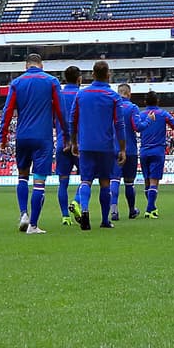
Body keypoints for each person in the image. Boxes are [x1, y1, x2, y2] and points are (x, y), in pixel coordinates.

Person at [0, 54, 65, 234]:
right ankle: (33, 226)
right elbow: (60, 110)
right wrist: (66, 133)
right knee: (39, 181)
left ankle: (23, 214)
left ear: (26, 66)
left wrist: (3, 137)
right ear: (41, 65)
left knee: (22, 176)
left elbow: (7, 110)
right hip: (43, 137)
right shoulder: (51, 81)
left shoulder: (16, 83)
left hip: (22, 137)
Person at [68, 60, 127, 230]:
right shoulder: (113, 97)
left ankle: (85, 210)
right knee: (105, 182)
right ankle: (105, 220)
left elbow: (72, 120)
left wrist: (74, 142)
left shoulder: (81, 95)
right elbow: (119, 124)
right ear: (108, 75)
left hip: (86, 144)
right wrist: (122, 148)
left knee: (85, 180)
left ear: (92, 74)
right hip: (106, 145)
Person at [133, 90, 174, 218]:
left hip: (144, 151)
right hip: (157, 151)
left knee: (147, 182)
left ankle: (152, 207)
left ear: (145, 102)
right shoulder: (163, 114)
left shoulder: (141, 115)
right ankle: (149, 209)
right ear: (158, 101)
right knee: (154, 182)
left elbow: (136, 127)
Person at [55, 66, 82, 226]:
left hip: (62, 143)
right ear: (79, 79)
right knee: (87, 178)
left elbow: (53, 120)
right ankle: (77, 201)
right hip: (79, 144)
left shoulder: (58, 96)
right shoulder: (82, 95)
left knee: (63, 182)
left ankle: (65, 216)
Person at [113, 83, 141, 220]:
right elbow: (137, 126)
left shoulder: (112, 107)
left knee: (114, 180)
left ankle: (114, 210)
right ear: (129, 94)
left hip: (114, 149)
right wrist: (149, 120)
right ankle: (131, 210)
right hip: (130, 150)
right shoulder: (133, 107)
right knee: (129, 182)